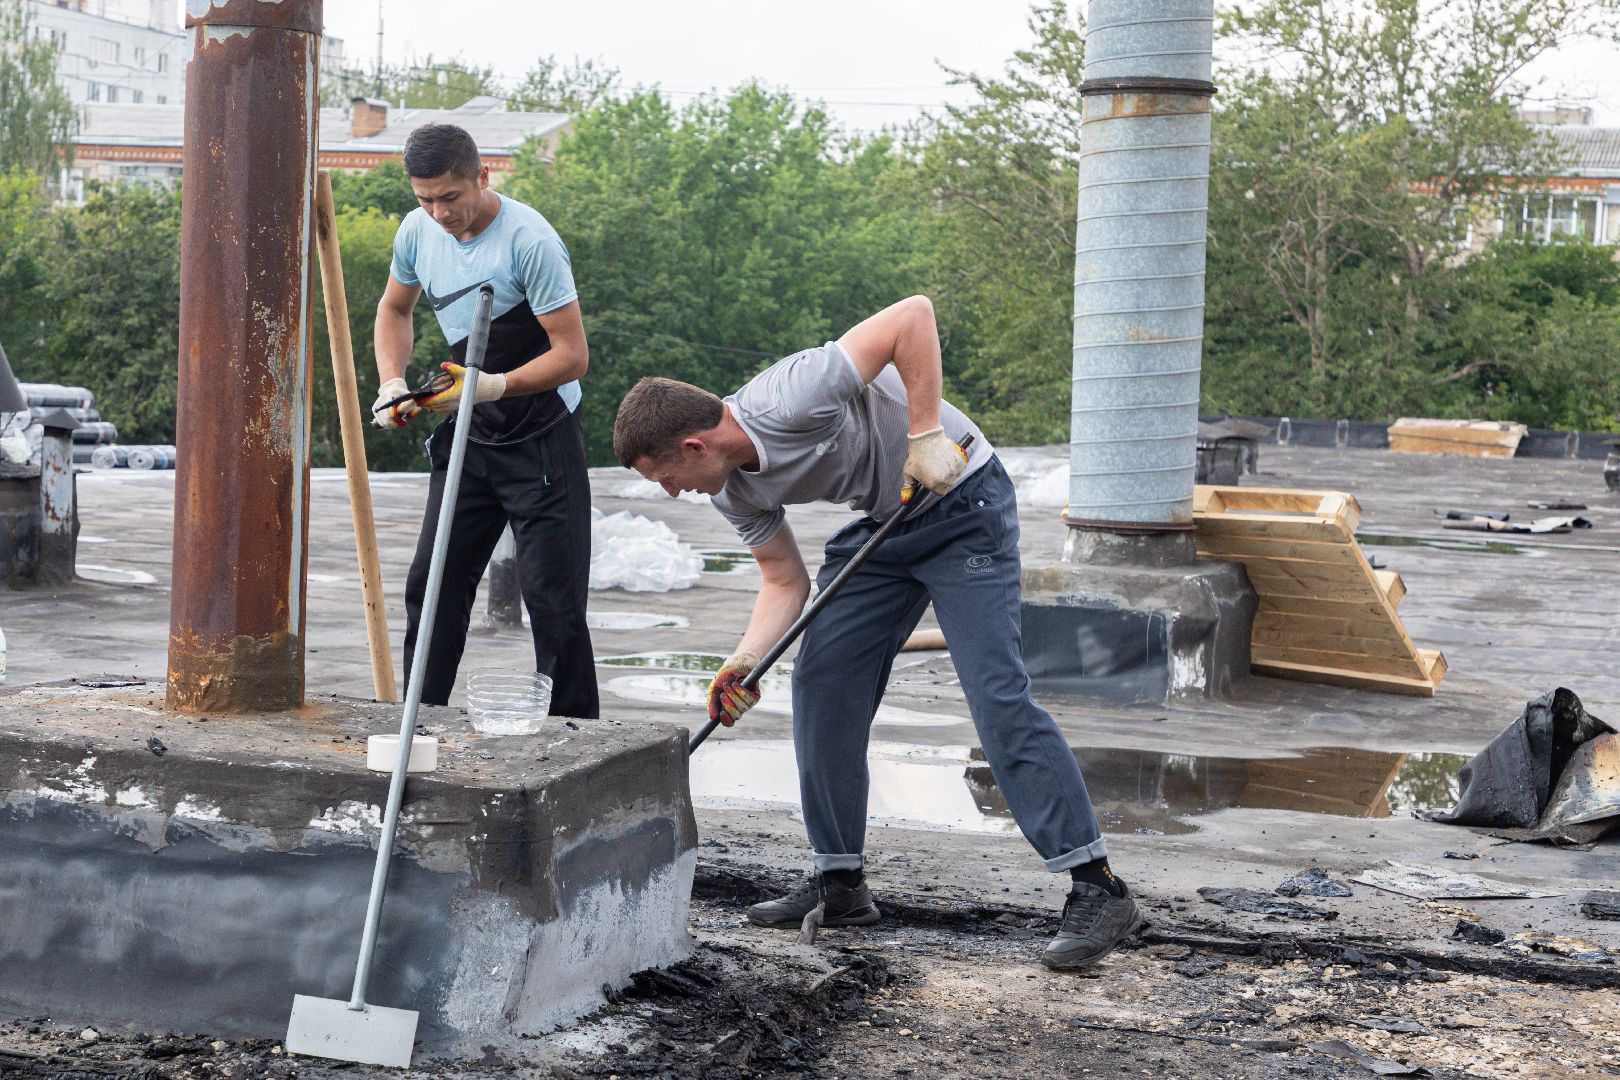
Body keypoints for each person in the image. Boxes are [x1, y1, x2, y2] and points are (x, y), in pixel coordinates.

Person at [611, 295, 1143, 969]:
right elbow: (783, 582)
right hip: (885, 524)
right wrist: (745, 660)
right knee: (823, 683)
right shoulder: (730, 490)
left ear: (694, 445)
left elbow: (912, 316)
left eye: (668, 478)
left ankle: (1099, 888)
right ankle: (840, 885)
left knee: (994, 693)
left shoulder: (789, 396)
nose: (671, 492)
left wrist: (924, 435)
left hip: (964, 506)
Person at [371, 123, 598, 718]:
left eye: (450, 196)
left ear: (482, 177)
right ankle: (418, 728)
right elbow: (395, 307)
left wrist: (494, 385)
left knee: (554, 603)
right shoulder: (417, 232)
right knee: (433, 586)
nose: (440, 212)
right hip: (470, 434)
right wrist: (392, 379)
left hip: (542, 436)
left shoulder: (529, 241)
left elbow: (573, 356)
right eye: (425, 199)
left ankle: (575, 744)